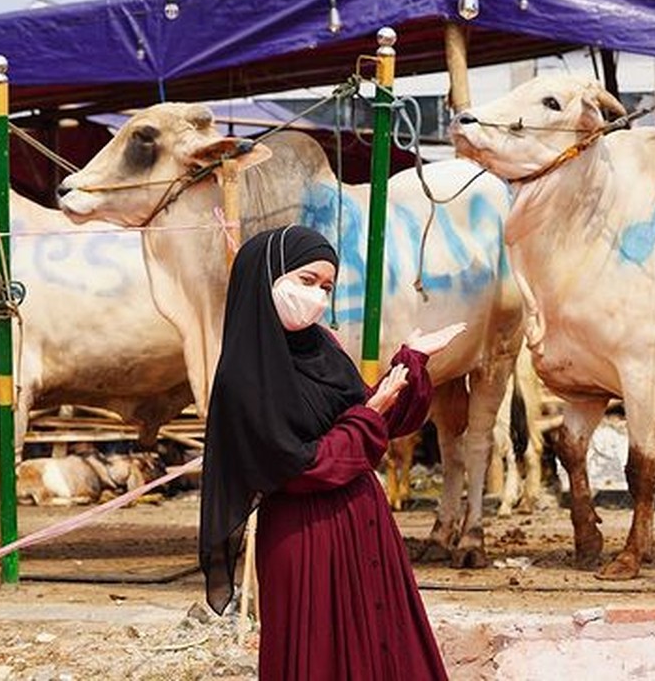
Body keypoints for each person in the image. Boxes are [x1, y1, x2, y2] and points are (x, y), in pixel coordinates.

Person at [198, 224, 463, 680]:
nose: (318, 297)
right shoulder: (244, 377)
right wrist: (370, 415)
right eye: (306, 282)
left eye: (327, 287)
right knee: (319, 654)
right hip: (305, 538)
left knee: (379, 648)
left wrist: (411, 363)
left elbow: (370, 418)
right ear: (268, 279)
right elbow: (303, 467)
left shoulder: (324, 349)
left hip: (363, 523)